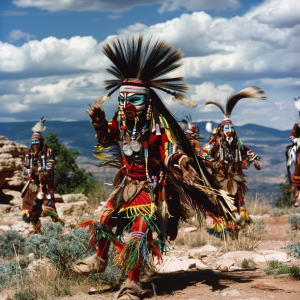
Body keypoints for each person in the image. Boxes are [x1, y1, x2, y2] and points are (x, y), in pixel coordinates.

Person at [73, 35, 237, 300]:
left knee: (139, 230)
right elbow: (107, 137)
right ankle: (99, 260)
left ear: (147, 101)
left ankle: (132, 283)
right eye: (123, 100)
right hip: (127, 185)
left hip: (152, 188)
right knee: (104, 220)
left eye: (133, 100)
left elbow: (170, 149)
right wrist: (100, 124)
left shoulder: (157, 125)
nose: (127, 106)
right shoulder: (123, 122)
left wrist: (183, 162)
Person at [200, 87, 266, 238]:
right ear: (221, 130)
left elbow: (246, 151)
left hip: (235, 179)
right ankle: (229, 230)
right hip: (220, 180)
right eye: (226, 128)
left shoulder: (237, 144)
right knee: (224, 205)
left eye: (231, 128)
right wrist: (213, 162)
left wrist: (254, 160)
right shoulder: (215, 142)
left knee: (237, 204)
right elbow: (202, 152)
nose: (229, 131)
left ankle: (236, 230)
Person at [21, 117, 62, 227]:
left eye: (37, 144)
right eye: (33, 144)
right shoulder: (28, 154)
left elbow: (50, 166)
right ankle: (36, 228)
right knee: (30, 207)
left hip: (46, 184)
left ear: (41, 142)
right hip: (33, 183)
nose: (35, 146)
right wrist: (27, 171)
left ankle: (58, 226)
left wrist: (36, 169)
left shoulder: (48, 152)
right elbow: (23, 166)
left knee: (49, 206)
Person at [289, 96, 300, 207]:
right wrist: (297, 140)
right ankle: (298, 198)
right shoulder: (298, 123)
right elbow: (292, 136)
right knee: (298, 173)